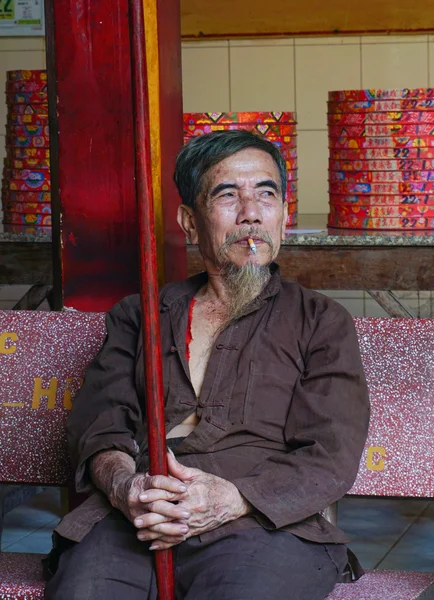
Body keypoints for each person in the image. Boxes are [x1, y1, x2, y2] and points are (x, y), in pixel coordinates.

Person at [45, 130, 370, 600]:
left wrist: (231, 499)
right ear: (190, 223)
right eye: (227, 195)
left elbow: (331, 454)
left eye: (266, 194)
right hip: (139, 517)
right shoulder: (141, 316)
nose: (251, 213)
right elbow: (101, 424)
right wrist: (125, 488)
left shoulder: (320, 322)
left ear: (283, 218)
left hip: (262, 524)